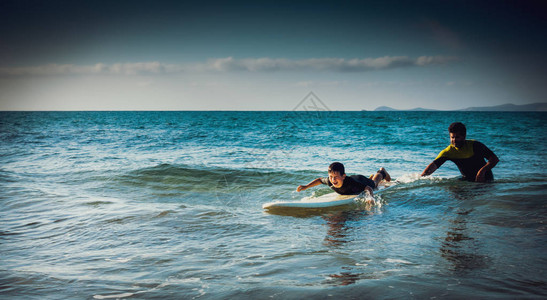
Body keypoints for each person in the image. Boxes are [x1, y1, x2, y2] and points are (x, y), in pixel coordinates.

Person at [421, 122, 499, 182]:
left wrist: (482, 172)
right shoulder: (448, 152)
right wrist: (420, 180)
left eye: (457, 137)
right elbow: (431, 168)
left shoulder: (475, 145)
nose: (454, 140)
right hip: (467, 180)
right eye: (452, 137)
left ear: (464, 136)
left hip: (486, 179)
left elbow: (494, 159)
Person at [296, 162, 391, 202]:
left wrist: (370, 197)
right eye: (331, 177)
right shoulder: (330, 181)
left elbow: (368, 188)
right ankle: (371, 177)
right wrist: (306, 186)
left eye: (336, 177)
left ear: (343, 176)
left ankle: (381, 171)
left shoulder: (351, 184)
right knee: (369, 182)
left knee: (374, 183)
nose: (333, 180)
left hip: (359, 179)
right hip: (355, 180)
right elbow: (320, 180)